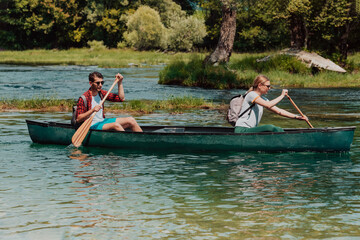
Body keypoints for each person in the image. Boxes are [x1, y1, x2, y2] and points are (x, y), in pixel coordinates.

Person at [235, 75, 308, 133]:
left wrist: (297, 117)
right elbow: (268, 105)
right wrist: (282, 95)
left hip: (250, 130)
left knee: (276, 128)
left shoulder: (263, 99)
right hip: (242, 130)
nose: (269, 88)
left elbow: (279, 111)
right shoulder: (251, 95)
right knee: (270, 128)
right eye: (268, 86)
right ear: (260, 85)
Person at [75, 71, 143, 132]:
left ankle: (142, 140)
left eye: (102, 82)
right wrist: (92, 110)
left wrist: (120, 82)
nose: (100, 85)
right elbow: (78, 119)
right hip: (91, 125)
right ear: (90, 83)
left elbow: (121, 98)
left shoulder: (102, 93)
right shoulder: (84, 98)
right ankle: (129, 142)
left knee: (131, 120)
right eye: (98, 83)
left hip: (102, 121)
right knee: (116, 125)